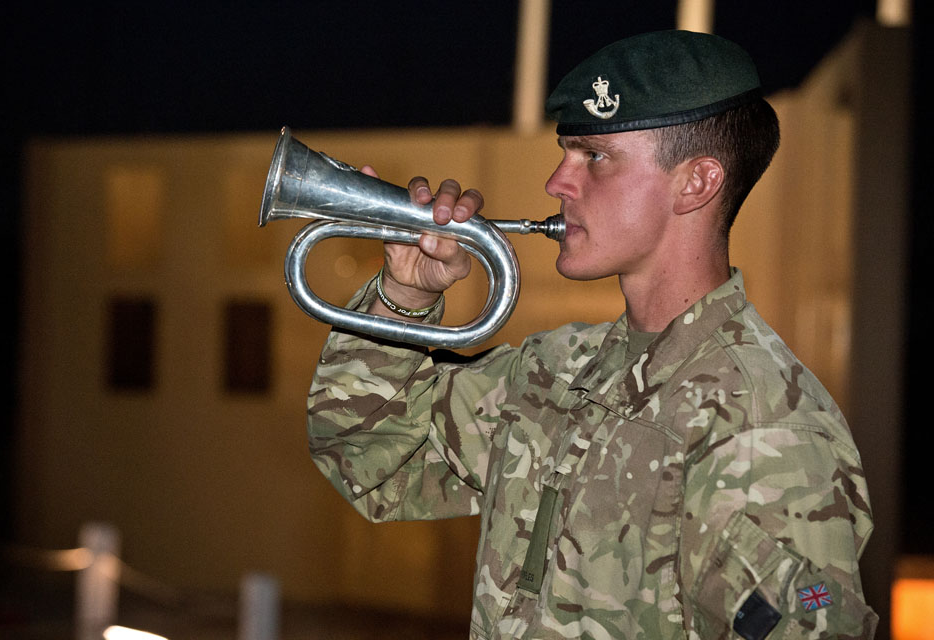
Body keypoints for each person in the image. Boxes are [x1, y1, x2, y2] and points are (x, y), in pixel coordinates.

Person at [306, 30, 877, 639]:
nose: (557, 182)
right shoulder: (555, 370)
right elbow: (368, 461)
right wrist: (405, 295)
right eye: (565, 154)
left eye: (594, 156)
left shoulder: (766, 428)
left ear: (696, 183)